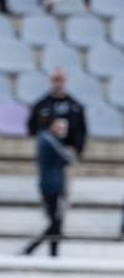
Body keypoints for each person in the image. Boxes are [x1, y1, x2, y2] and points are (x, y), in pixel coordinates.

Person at [27, 117, 74, 257]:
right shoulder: (48, 139)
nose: (62, 131)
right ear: (52, 126)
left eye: (64, 128)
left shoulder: (50, 140)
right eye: (59, 128)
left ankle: (51, 253)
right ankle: (33, 249)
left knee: (56, 222)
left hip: (55, 185)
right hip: (52, 186)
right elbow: (68, 158)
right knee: (55, 222)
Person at [26, 68, 87, 158]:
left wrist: (77, 149)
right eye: (55, 80)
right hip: (46, 152)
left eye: (60, 80)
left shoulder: (75, 106)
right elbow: (32, 127)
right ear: (50, 82)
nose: (58, 84)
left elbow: (81, 130)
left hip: (67, 152)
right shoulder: (40, 105)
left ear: (65, 81)